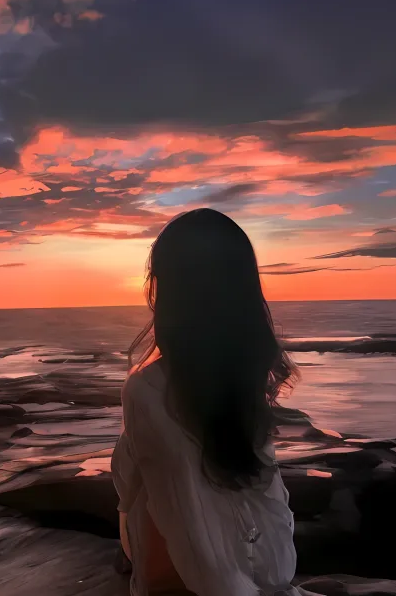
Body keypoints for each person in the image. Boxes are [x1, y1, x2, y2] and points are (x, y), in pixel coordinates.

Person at [111, 208, 300, 596]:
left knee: (139, 481)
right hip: (272, 571)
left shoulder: (147, 389)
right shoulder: (247, 374)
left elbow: (133, 497)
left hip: (192, 582)